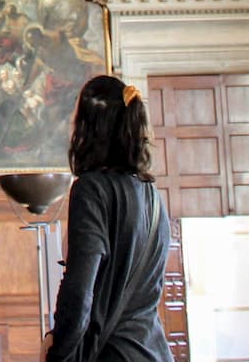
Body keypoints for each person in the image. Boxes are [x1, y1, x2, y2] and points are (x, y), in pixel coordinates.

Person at [43, 76, 172, 362]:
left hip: (112, 354)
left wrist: (57, 353)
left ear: (90, 128)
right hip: (154, 351)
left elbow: (79, 296)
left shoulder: (92, 189)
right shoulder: (152, 194)